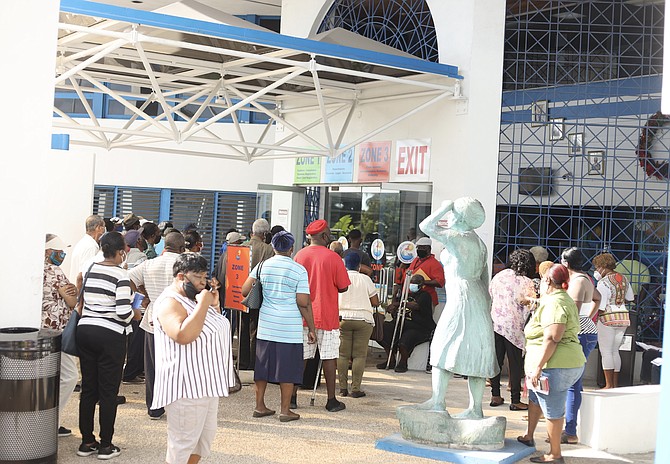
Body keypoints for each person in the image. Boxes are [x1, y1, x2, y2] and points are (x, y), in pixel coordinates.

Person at [413, 198, 498, 419]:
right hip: (476, 295)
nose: (449, 217)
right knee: (478, 349)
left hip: (462, 296)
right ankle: (474, 408)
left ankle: (439, 402)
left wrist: (445, 206)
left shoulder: (457, 237)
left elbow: (426, 227)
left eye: (453, 213)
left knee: (443, 345)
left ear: (459, 216)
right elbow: (484, 277)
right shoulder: (478, 243)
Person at [152, 253, 235, 464]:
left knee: (202, 441)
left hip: (206, 384)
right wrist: (204, 305)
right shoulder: (169, 302)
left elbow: (211, 328)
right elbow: (182, 335)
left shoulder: (196, 298)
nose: (203, 283)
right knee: (182, 444)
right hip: (186, 386)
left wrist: (213, 305)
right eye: (198, 277)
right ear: (181, 276)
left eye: (205, 277)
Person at [76, 232, 139, 460]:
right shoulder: (120, 275)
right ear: (121, 251)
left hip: (85, 331)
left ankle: (86, 441)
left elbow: (82, 297)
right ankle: (106, 445)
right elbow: (123, 313)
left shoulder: (90, 270)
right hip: (110, 335)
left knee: (89, 388)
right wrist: (136, 312)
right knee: (108, 392)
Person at [241, 231, 316, 422]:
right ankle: (285, 410)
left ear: (273, 247)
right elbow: (303, 301)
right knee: (288, 369)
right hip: (289, 328)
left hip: (266, 326)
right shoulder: (298, 270)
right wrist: (312, 329)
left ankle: (260, 406)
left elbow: (244, 290)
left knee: (262, 367)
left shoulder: (262, 266)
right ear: (291, 249)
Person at [517, 264, 586, 464]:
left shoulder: (555, 303)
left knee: (553, 411)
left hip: (554, 366)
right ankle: (529, 436)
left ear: (547, 281)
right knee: (536, 398)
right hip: (561, 363)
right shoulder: (561, 299)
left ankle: (555, 454)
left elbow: (553, 337)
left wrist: (538, 367)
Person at [293, 219, 351, 412]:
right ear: (325, 236)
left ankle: (292, 397)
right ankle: (331, 400)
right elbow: (343, 287)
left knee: (301, 357)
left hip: (302, 315)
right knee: (329, 356)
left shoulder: (299, 256)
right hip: (326, 316)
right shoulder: (334, 257)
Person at [128, 231, 186, 420]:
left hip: (153, 319)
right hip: (178, 321)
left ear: (165, 246)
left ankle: (154, 407)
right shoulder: (185, 264)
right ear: (182, 248)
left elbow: (128, 279)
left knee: (152, 366)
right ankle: (176, 406)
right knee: (176, 365)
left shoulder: (149, 264)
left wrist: (141, 298)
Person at [560, 247, 601, 445]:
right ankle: (571, 428)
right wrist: (589, 317)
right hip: (586, 331)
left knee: (572, 384)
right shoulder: (586, 278)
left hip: (579, 334)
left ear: (566, 264)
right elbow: (597, 298)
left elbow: (571, 315)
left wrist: (578, 323)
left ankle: (570, 431)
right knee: (574, 383)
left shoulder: (577, 282)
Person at [489, 249, 536, 411]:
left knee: (496, 360)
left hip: (496, 323)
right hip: (515, 328)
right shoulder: (526, 282)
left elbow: (491, 294)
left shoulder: (499, 276)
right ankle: (515, 400)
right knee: (515, 364)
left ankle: (495, 395)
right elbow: (530, 305)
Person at [42, 234, 78, 437]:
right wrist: (74, 291)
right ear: (48, 252)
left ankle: (50, 421)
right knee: (70, 376)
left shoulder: (37, 269)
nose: (62, 255)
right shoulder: (54, 271)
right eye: (58, 251)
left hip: (44, 329)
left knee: (54, 377)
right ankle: (51, 421)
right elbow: (72, 301)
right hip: (57, 331)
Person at [338, 252, 378, 396]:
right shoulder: (365, 279)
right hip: (363, 320)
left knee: (342, 355)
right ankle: (355, 389)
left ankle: (342, 388)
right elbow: (375, 302)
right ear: (359, 266)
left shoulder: (340, 277)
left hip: (343, 319)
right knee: (359, 356)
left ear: (344, 265)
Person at [377, 274, 435, 373]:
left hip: (420, 326)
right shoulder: (407, 295)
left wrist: (398, 304)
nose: (412, 285)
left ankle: (403, 362)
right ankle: (391, 359)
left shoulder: (425, 295)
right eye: (411, 283)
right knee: (383, 330)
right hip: (403, 323)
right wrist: (394, 297)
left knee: (407, 338)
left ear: (421, 285)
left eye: (415, 283)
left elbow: (415, 306)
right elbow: (396, 308)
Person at [593, 252, 635, 389]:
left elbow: (601, 304)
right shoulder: (623, 279)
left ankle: (608, 384)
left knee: (606, 351)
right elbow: (630, 298)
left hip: (607, 318)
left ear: (603, 266)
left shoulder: (603, 283)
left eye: (598, 267)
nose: (597, 270)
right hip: (623, 317)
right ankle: (614, 384)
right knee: (615, 351)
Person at [239, 219, 275, 370]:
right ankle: (254, 363)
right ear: (266, 233)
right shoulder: (268, 250)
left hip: (239, 295)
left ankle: (242, 362)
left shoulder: (239, 248)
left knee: (242, 329)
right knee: (256, 330)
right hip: (259, 296)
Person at [121, 230, 148, 384]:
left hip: (123, 302)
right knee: (136, 340)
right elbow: (137, 282)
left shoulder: (124, 256)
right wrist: (139, 299)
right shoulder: (142, 257)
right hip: (135, 304)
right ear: (138, 241)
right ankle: (131, 373)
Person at [406, 236, 445, 310]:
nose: (420, 250)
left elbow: (440, 282)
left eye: (423, 248)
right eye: (418, 248)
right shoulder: (415, 260)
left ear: (429, 249)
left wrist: (423, 282)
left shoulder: (434, 264)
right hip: (412, 298)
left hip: (427, 299)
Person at [69, 215, 105, 284]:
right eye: (103, 227)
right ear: (98, 227)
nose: (104, 230)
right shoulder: (91, 247)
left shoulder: (84, 242)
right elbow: (83, 275)